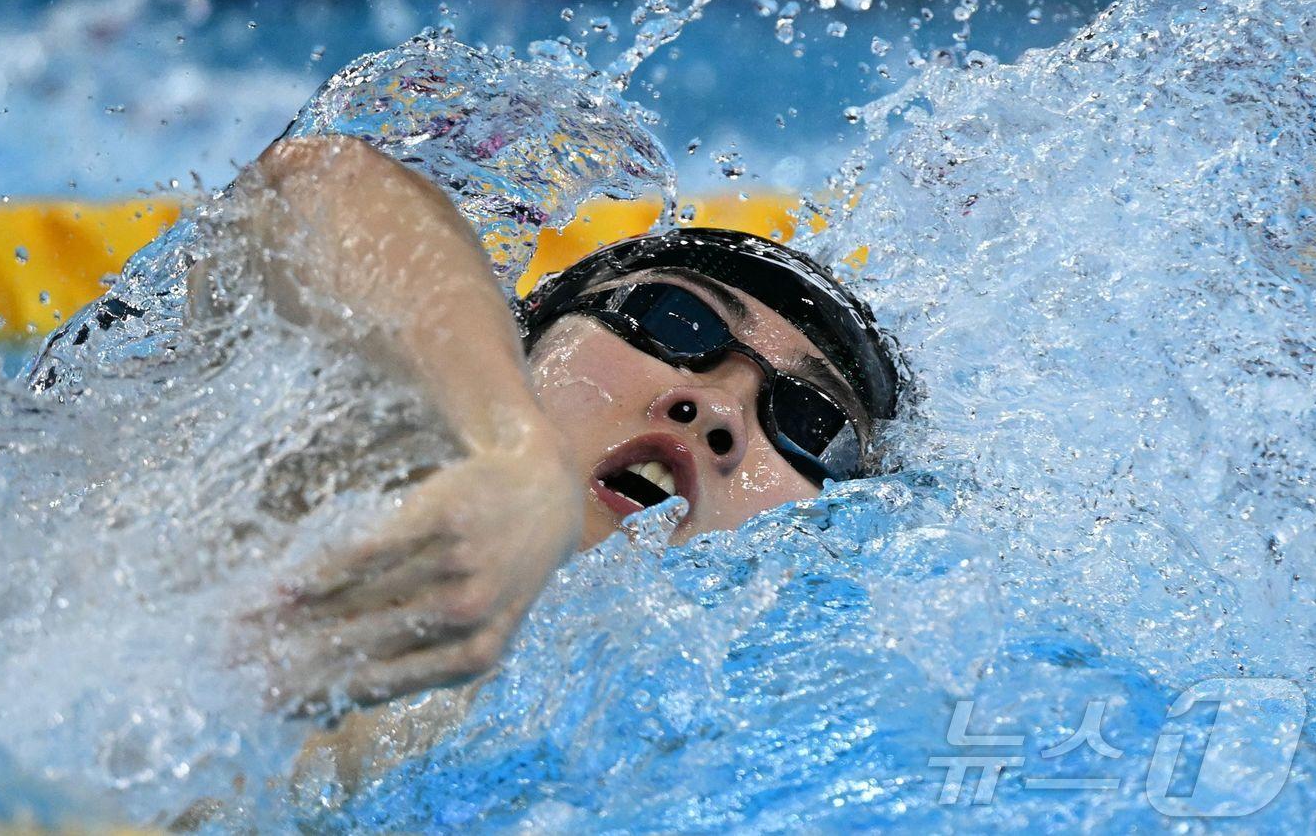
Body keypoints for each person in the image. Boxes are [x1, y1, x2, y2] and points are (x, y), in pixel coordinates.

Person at [230, 133, 900, 718]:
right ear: (530, 333)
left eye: (811, 422)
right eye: (676, 319)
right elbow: (309, 184)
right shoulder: (293, 456)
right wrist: (515, 451)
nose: (720, 410)